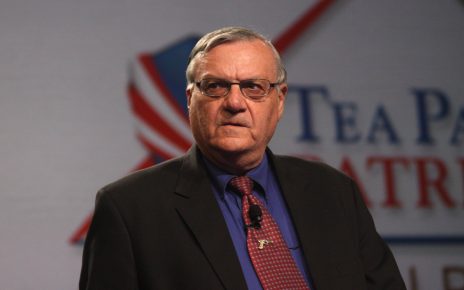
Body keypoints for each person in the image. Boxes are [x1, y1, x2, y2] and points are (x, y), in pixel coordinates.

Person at [79, 26, 406, 290]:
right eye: (216, 86)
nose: (234, 103)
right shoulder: (128, 208)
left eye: (253, 87)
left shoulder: (334, 192)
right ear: (190, 100)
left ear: (279, 101)